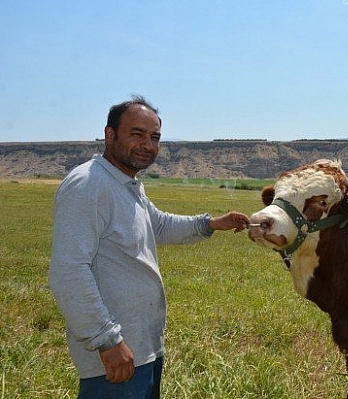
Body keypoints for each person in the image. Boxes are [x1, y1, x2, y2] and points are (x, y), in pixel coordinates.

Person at [48, 95, 250, 399]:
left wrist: (211, 224)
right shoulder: (89, 185)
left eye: (154, 137)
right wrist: (107, 340)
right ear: (109, 134)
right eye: (137, 134)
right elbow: (68, 272)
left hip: (141, 349)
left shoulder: (126, 185)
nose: (148, 144)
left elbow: (159, 225)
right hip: (114, 357)